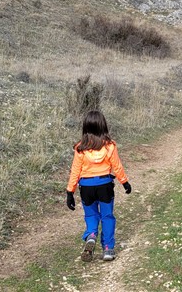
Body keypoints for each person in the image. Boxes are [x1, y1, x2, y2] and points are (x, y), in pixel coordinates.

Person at [66, 110, 132, 262]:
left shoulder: (80, 148)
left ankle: (91, 235)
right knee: (107, 216)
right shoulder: (109, 146)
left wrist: (70, 191)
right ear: (103, 126)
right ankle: (108, 249)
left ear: (86, 127)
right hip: (105, 185)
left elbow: (75, 170)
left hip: (86, 187)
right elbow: (117, 166)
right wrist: (124, 182)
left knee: (91, 215)